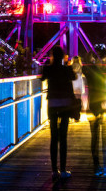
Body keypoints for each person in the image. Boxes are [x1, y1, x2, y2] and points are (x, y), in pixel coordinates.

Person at [40, 46, 76, 179]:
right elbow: (74, 77)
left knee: (54, 137)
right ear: (63, 56)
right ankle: (63, 170)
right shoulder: (66, 69)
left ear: (52, 56)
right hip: (65, 104)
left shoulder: (48, 68)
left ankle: (54, 170)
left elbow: (42, 78)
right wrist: (68, 65)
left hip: (53, 104)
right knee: (63, 137)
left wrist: (46, 65)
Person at [82, 44, 106, 176]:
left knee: (94, 138)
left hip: (93, 107)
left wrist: (91, 58)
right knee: (105, 138)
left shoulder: (89, 70)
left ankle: (97, 167)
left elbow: (82, 67)